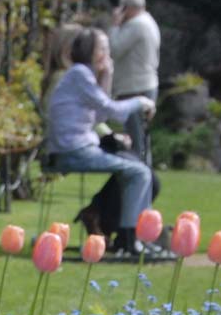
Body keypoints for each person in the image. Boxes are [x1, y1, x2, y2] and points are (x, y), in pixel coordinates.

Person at [45, 27, 161, 259]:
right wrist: (140, 101)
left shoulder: (81, 75)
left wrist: (107, 75)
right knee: (139, 173)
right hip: (73, 150)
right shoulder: (79, 74)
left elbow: (101, 115)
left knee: (137, 170)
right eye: (104, 48)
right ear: (91, 51)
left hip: (76, 147)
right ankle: (130, 241)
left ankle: (131, 238)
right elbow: (113, 111)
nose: (108, 53)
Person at [109, 0, 160, 164]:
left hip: (135, 88)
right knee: (143, 140)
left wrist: (115, 25)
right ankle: (146, 181)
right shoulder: (149, 21)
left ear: (126, 8)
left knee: (136, 142)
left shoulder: (136, 25)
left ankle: (142, 184)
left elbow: (114, 50)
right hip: (146, 85)